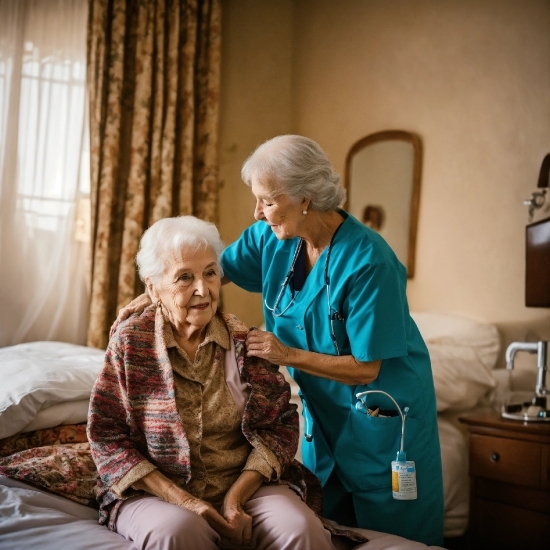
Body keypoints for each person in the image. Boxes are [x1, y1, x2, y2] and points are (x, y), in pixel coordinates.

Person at [114, 136, 444, 546]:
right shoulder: (269, 237)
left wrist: (285, 354)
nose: (257, 211)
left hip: (384, 417)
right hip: (324, 417)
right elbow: (203, 275)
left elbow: (367, 367)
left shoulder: (369, 262)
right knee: (335, 532)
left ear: (305, 198)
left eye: (267, 200)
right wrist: (151, 295)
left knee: (396, 540)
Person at [89, 215, 365, 550]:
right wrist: (187, 501)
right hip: (156, 489)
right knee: (177, 533)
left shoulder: (244, 343)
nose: (202, 289)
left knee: (300, 529)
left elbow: (280, 427)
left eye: (210, 273)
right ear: (152, 287)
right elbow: (107, 434)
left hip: (243, 484)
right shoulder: (130, 342)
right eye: (184, 278)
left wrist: (234, 499)